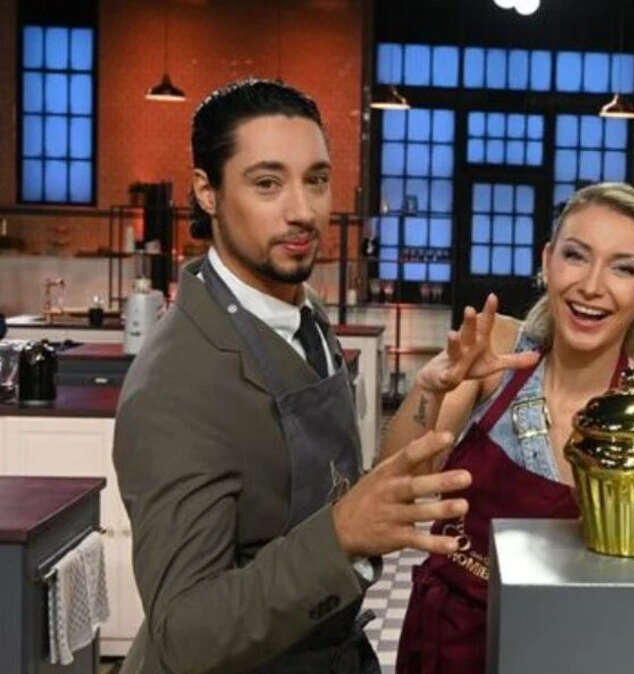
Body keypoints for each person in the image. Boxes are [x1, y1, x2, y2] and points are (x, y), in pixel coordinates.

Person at [112, 79, 471, 674]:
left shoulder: (304, 315)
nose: (302, 211)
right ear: (207, 191)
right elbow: (184, 633)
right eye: (267, 184)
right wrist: (340, 536)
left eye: (317, 180)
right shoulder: (176, 386)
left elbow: (336, 488)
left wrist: (428, 393)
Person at [384, 182, 634, 673]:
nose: (592, 286)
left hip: (570, 650)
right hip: (448, 641)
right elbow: (396, 487)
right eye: (576, 255)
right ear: (547, 261)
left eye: (623, 268)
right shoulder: (496, 354)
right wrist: (431, 389)